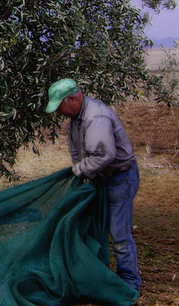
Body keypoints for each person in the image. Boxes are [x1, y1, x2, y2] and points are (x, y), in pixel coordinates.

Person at [45, 78, 142, 294]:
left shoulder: (95, 117)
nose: (60, 112)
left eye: (60, 105)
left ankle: (130, 283)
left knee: (119, 233)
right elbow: (77, 151)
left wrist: (79, 172)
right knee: (96, 224)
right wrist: (81, 170)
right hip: (102, 177)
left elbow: (104, 155)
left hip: (120, 178)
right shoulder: (77, 117)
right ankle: (99, 274)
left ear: (72, 99)